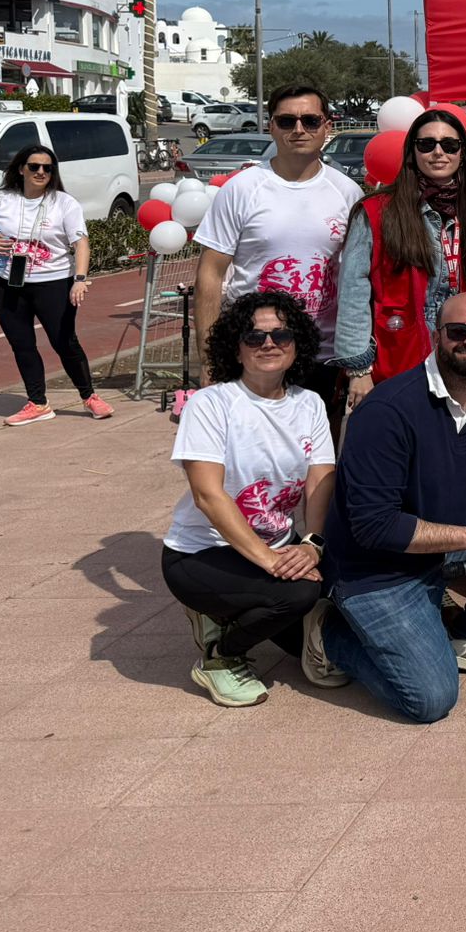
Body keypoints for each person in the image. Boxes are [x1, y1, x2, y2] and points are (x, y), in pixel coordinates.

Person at [316, 292, 466, 723]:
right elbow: (374, 527)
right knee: (429, 700)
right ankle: (328, 632)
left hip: (443, 534)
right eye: (458, 331)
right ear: (436, 336)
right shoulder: (387, 410)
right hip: (373, 567)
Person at [161, 292, 337, 707]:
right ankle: (220, 658)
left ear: (298, 343)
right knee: (296, 596)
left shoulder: (309, 403)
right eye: (254, 336)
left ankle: (235, 617)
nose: (269, 344)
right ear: (235, 347)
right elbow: (208, 495)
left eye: (281, 334)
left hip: (278, 544)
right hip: (203, 553)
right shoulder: (210, 404)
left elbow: (320, 481)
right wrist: (271, 560)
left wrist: (312, 544)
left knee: (338, 580)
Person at [194, 83, 363, 433]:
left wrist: (357, 360)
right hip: (256, 350)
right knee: (252, 457)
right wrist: (209, 360)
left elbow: (357, 277)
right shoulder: (241, 189)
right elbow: (210, 274)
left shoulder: (347, 191)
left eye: (310, 120)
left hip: (323, 354)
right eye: (286, 122)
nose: (298, 130)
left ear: (327, 126)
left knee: (318, 461)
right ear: (271, 126)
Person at [335, 108, 466, 413]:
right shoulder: (375, 212)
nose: (438, 152)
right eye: (427, 144)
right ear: (412, 151)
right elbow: (354, 296)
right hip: (396, 364)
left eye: (449, 145)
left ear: (463, 153)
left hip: (459, 366)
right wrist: (359, 371)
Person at [0, 142, 110, 426]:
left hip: (54, 282)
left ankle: (89, 396)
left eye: (47, 167)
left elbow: (81, 243)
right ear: (21, 169)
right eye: (34, 166)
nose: (41, 172)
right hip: (8, 282)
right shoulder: (1, 199)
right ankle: (38, 402)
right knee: (22, 345)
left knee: (64, 342)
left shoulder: (64, 203)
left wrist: (79, 280)